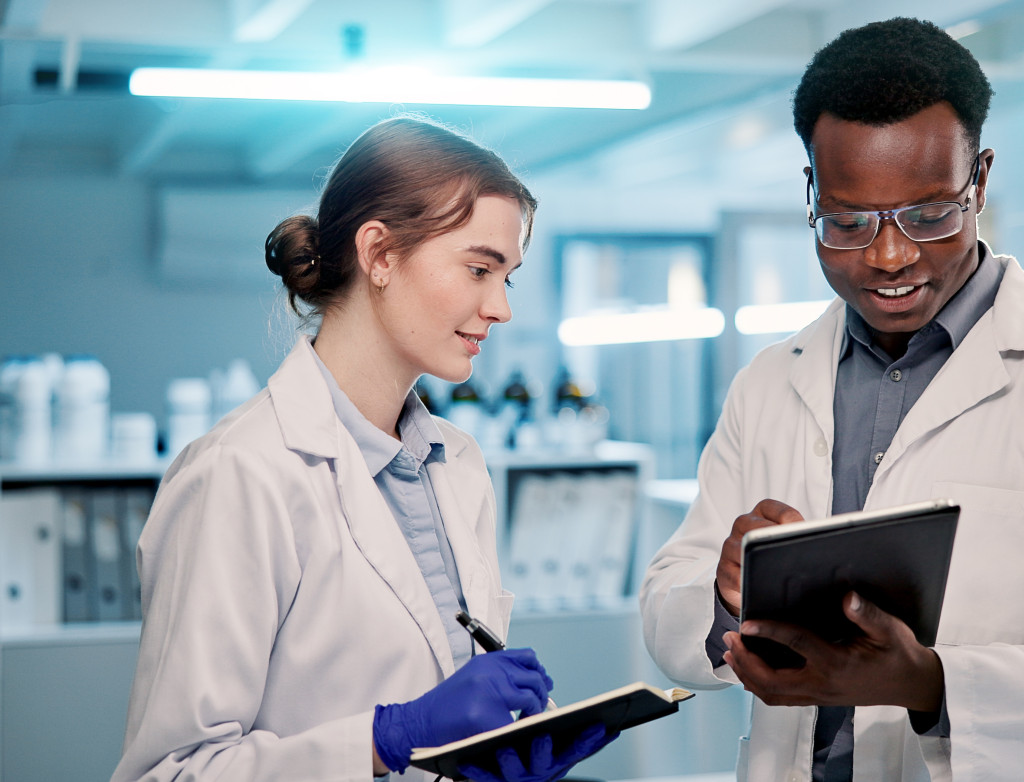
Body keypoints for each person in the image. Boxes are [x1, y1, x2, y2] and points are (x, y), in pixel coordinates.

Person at [112, 117, 614, 782]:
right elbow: (170, 772)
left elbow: (444, 709)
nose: (501, 308)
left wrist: (495, 755)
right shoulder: (239, 472)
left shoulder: (457, 465)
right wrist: (385, 739)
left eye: (507, 279)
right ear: (379, 254)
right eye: (478, 269)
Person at [641, 17, 1024, 782]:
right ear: (812, 194)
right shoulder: (769, 382)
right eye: (848, 222)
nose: (890, 256)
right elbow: (664, 602)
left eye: (929, 216)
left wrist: (931, 683)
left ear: (978, 181)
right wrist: (723, 595)